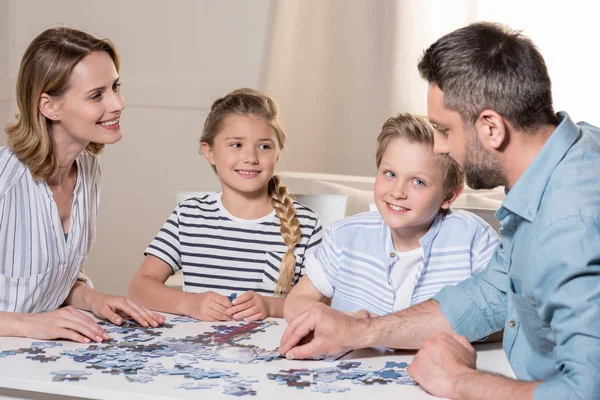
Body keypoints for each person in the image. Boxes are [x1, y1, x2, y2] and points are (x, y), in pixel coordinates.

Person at [279, 22, 600, 400]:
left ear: (491, 128)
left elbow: (585, 393)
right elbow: (489, 294)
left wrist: (459, 381)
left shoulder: (572, 222)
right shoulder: (560, 156)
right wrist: (360, 331)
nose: (441, 147)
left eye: (444, 130)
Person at [0, 27, 164, 344]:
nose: (118, 103)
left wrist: (93, 299)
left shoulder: (87, 169)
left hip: (38, 364)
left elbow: (44, 280)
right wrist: (30, 325)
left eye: (116, 87)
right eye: (96, 95)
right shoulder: (4, 181)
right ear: (49, 107)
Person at [128, 88, 323, 322]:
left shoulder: (307, 225)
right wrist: (190, 303)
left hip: (274, 352)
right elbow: (139, 287)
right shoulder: (188, 216)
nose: (251, 157)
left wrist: (271, 307)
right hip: (199, 351)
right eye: (236, 144)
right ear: (209, 152)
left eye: (264, 146)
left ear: (278, 152)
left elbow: (324, 304)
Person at [283, 113, 498, 320]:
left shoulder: (474, 238)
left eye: (418, 182)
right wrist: (344, 322)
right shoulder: (344, 236)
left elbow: (505, 314)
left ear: (449, 195)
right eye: (390, 174)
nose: (397, 192)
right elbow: (296, 301)